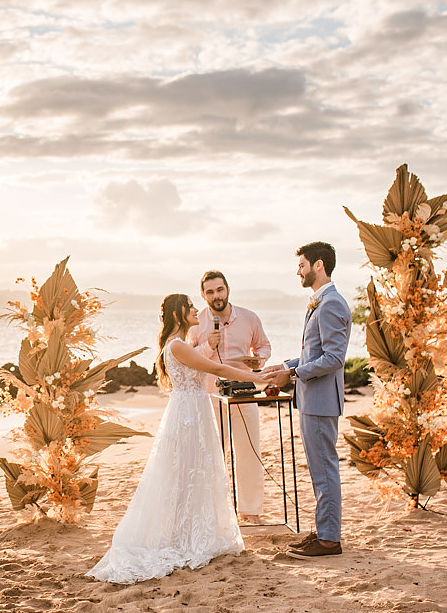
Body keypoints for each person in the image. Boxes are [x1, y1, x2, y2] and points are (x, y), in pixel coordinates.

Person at [88, 294, 263, 584]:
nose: (196, 309)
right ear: (178, 313)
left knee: (193, 474)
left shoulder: (182, 344)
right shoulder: (178, 345)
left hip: (193, 411)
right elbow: (217, 369)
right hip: (188, 417)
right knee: (187, 474)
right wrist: (258, 378)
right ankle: (183, 538)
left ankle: (189, 533)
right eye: (190, 306)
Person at [261, 242, 351, 559]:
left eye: (301, 265)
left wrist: (294, 374)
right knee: (319, 470)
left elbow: (334, 358)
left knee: (324, 470)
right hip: (313, 400)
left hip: (321, 401)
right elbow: (314, 353)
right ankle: (324, 531)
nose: (298, 271)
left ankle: (328, 541)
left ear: (319, 265)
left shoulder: (331, 304)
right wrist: (284, 366)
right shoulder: (322, 302)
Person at [187, 270, 272, 524]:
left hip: (244, 394)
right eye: (210, 292)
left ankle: (250, 510)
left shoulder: (249, 318)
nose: (216, 296)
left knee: (249, 452)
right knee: (212, 456)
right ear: (203, 295)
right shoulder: (196, 324)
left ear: (228, 290)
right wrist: (207, 347)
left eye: (220, 290)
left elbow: (264, 345)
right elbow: (188, 359)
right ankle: (213, 512)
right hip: (210, 398)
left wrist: (258, 360)